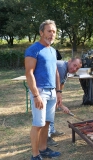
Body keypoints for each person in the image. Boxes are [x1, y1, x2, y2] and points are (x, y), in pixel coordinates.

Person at [25, 19, 61, 160]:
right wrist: (36, 95)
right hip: (40, 91)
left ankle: (43, 148)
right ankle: (35, 155)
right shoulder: (33, 50)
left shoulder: (52, 50)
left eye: (54, 32)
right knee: (38, 124)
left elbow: (56, 71)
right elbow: (29, 73)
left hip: (52, 91)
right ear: (41, 32)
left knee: (47, 122)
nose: (52, 34)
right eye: (49, 31)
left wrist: (58, 92)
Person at [48, 58, 83, 146]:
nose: (74, 69)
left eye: (77, 68)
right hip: (44, 89)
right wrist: (62, 105)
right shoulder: (61, 67)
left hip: (51, 90)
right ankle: (46, 137)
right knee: (47, 113)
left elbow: (61, 85)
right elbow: (56, 85)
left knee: (52, 110)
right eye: (74, 65)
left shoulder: (66, 70)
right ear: (70, 61)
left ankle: (51, 130)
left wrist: (59, 99)